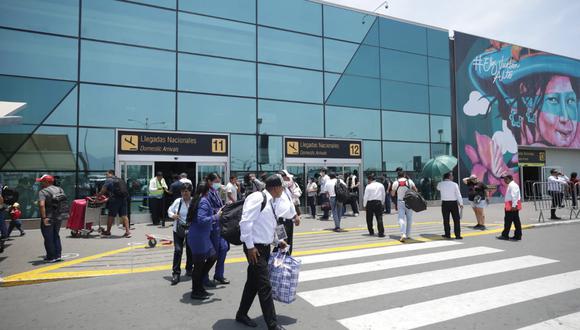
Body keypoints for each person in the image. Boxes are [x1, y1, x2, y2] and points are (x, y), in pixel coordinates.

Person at [236, 175, 288, 330]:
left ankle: (241, 314)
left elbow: (267, 226)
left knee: (252, 283)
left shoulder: (271, 201)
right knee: (265, 286)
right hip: (255, 249)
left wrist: (278, 241)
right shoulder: (257, 198)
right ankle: (272, 325)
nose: (283, 190)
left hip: (264, 248)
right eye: (282, 187)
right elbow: (245, 222)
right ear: (275, 187)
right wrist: (250, 247)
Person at [187, 182, 219, 299]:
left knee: (213, 256)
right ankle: (196, 291)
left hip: (201, 236)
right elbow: (201, 219)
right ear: (207, 191)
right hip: (199, 238)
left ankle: (199, 284)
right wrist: (216, 216)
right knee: (199, 265)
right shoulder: (203, 201)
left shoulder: (198, 199)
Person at [204, 173, 230, 286]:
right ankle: (204, 277)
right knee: (212, 254)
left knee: (224, 248)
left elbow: (219, 205)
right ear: (209, 181)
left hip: (220, 226)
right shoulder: (206, 193)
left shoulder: (216, 192)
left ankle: (219, 275)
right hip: (213, 227)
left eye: (219, 181)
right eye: (216, 181)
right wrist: (219, 210)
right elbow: (207, 209)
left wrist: (225, 205)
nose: (218, 183)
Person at [168, 183, 194, 286]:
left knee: (190, 250)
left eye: (186, 191)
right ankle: (176, 273)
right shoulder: (178, 201)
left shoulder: (194, 202)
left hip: (191, 230)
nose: (184, 193)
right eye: (183, 191)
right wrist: (173, 215)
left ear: (190, 192)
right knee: (178, 250)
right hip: (178, 229)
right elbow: (169, 210)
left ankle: (189, 269)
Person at [36, 174, 66, 262]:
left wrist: (44, 217)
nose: (41, 183)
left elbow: (42, 205)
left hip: (48, 217)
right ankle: (58, 255)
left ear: (46, 181)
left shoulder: (43, 192)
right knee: (56, 235)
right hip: (59, 216)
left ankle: (51, 256)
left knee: (48, 237)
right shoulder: (60, 189)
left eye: (42, 181)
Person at [274, 170, 301, 255]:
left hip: (289, 221)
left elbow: (290, 203)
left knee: (288, 244)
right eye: (286, 178)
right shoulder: (274, 191)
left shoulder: (286, 189)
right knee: (282, 244)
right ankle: (276, 264)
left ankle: (286, 262)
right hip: (279, 222)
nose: (288, 180)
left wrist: (296, 215)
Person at [98, 170, 131, 238]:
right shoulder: (120, 179)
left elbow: (103, 190)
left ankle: (108, 231)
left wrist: (98, 196)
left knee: (111, 215)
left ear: (111, 173)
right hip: (123, 199)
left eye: (107, 174)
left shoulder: (109, 180)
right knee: (124, 215)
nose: (106, 176)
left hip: (114, 200)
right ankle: (128, 232)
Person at [391, 171, 417, 242]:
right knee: (409, 218)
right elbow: (416, 190)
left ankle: (403, 234)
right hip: (409, 202)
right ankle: (408, 234)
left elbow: (392, 194)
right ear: (404, 175)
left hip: (400, 201)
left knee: (401, 218)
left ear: (398, 176)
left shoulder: (396, 183)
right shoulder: (409, 181)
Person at [437, 172, 464, 239]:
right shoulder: (454, 184)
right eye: (452, 176)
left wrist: (441, 181)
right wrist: (461, 203)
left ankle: (447, 234)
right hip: (453, 203)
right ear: (449, 177)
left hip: (445, 203)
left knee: (446, 219)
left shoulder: (440, 184)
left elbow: (438, 188)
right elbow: (458, 194)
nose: (453, 177)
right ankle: (457, 235)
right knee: (456, 219)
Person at [497, 174, 522, 241]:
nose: (504, 181)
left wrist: (514, 205)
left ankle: (505, 235)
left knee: (508, 220)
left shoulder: (512, 185)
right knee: (516, 220)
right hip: (512, 204)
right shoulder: (512, 185)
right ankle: (518, 235)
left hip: (511, 205)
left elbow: (514, 196)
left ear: (509, 178)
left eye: (505, 179)